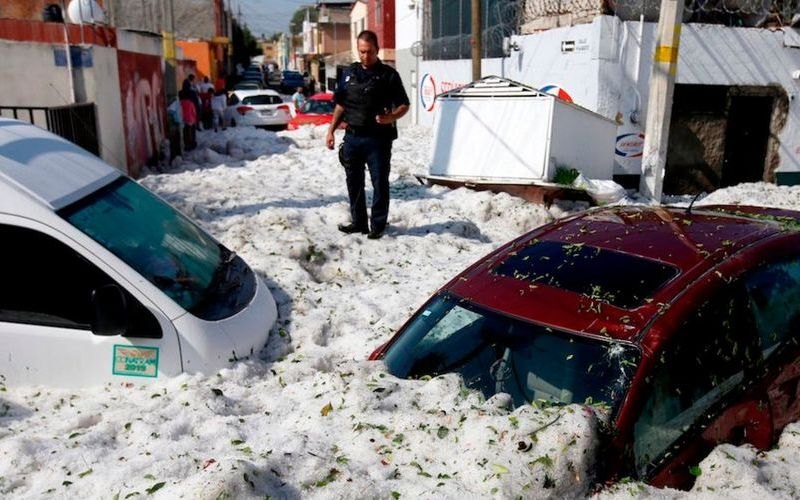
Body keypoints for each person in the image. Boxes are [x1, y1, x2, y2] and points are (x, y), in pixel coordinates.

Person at [325, 30, 409, 240]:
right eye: (361, 52)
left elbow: (404, 105)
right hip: (352, 137)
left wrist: (391, 118)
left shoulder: (389, 75)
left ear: (377, 50)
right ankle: (358, 222)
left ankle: (378, 225)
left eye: (369, 52)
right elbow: (340, 105)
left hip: (378, 140)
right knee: (354, 182)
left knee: (379, 182)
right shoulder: (348, 73)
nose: (365, 56)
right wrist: (331, 130)